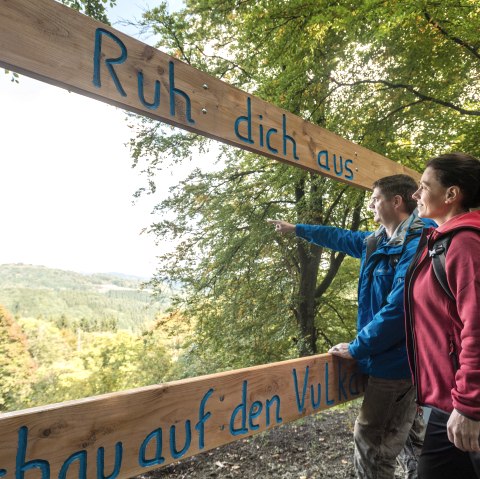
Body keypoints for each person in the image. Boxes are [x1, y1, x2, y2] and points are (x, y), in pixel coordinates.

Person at [269, 174, 434, 479]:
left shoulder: (420, 243)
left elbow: (399, 310)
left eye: (375, 199)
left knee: (372, 444)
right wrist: (298, 230)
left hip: (398, 365)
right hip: (398, 361)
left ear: (396, 201)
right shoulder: (377, 241)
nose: (371, 205)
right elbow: (339, 237)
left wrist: (358, 348)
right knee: (410, 440)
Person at [404, 152, 480, 479]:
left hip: (468, 403)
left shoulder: (464, 244)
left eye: (423, 186)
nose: (415, 195)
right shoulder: (438, 242)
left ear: (451, 194)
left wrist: (469, 405)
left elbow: (476, 328)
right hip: (449, 401)